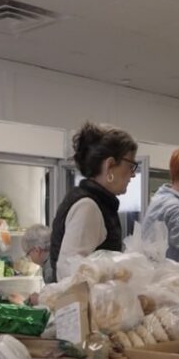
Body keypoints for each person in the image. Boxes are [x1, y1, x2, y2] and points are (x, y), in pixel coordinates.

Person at [49, 121, 138, 282]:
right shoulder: (88, 206)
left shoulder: (95, 202)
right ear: (110, 165)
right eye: (131, 165)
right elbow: (68, 273)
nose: (132, 174)